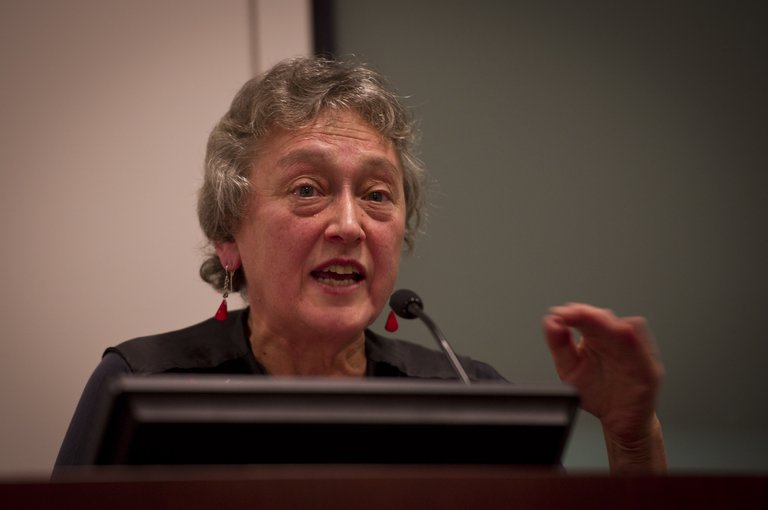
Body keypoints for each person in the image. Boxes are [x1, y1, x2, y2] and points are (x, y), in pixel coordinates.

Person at [55, 56, 666, 473]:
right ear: (228, 236)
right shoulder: (138, 386)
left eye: (377, 195)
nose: (349, 225)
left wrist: (631, 437)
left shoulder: (466, 396)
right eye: (306, 189)